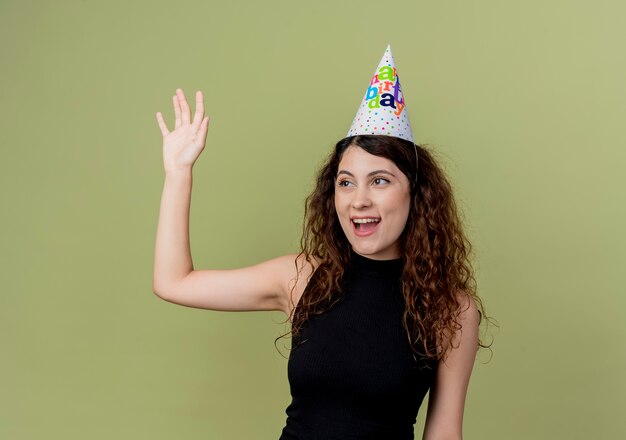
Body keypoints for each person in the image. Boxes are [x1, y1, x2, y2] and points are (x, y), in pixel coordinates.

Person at [153, 47, 489, 440]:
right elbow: (174, 282)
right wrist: (178, 173)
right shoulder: (300, 277)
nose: (358, 199)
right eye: (345, 182)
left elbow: (444, 433)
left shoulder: (451, 310)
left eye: (379, 180)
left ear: (416, 194)